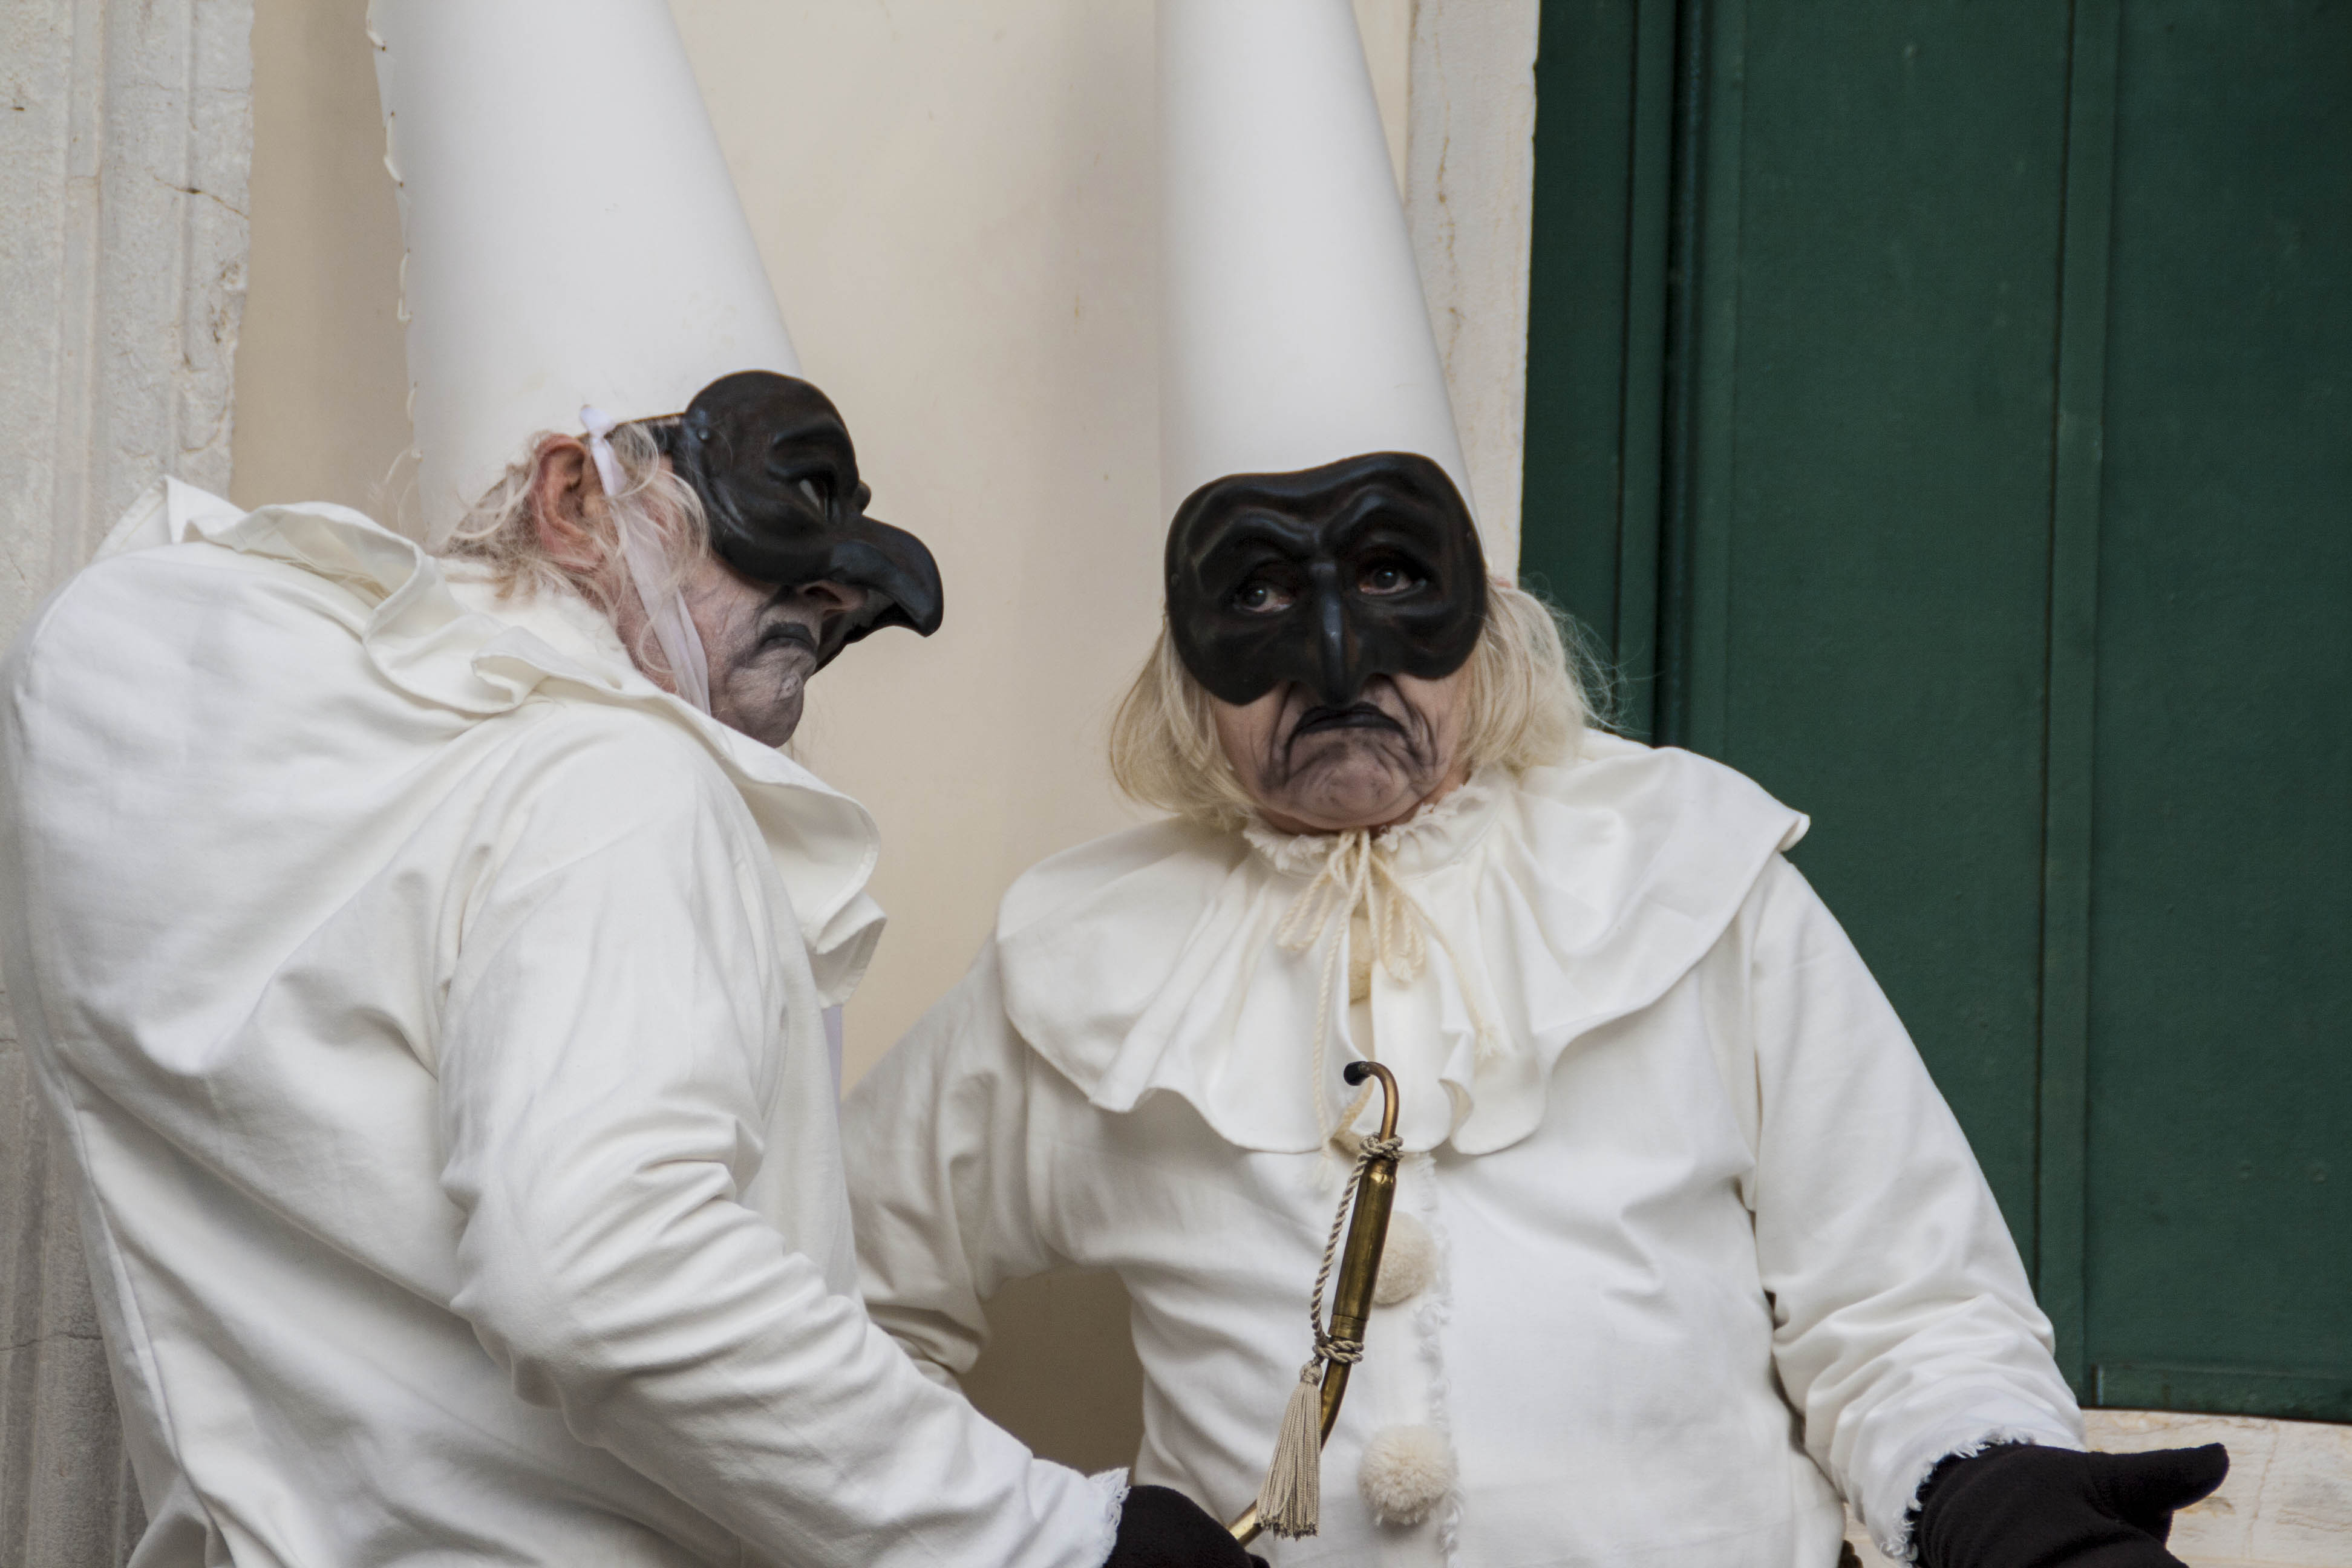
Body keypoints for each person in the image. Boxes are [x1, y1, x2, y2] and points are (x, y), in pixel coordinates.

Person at [840, 4, 2228, 1566]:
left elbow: (1906, 1311)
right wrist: (1030, 1540)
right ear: (1180, 661)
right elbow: (821, 1314)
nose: (1341, 659)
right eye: (1259, 597)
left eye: (1388, 569)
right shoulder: (1081, 973)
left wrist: (1995, 1502)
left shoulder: (1696, 887)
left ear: (1485, 612)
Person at [0, 4, 1250, 1564]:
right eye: (780, 500)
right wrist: (1061, 1545)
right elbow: (602, 1269)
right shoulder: (609, 786)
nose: (834, 595)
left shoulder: (304, 800)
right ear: (578, 492)